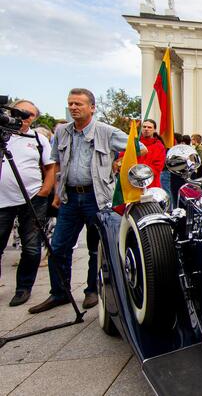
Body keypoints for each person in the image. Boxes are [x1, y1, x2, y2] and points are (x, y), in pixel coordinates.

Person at [28, 89, 146, 314]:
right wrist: (56, 194)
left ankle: (93, 289)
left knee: (96, 247)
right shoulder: (62, 132)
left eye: (79, 104)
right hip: (70, 198)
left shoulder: (106, 131)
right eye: (70, 103)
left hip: (96, 197)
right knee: (59, 247)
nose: (73, 107)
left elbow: (140, 148)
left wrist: (118, 163)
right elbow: (57, 164)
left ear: (92, 107)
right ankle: (59, 293)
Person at [0, 100, 56, 306]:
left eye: (30, 115)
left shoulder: (38, 138)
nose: (25, 117)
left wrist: (45, 191)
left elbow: (50, 167)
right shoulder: (3, 136)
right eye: (21, 112)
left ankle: (24, 288)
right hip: (2, 201)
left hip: (32, 198)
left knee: (31, 247)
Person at [124, 119, 165, 188]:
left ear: (154, 130)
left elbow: (158, 167)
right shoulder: (134, 144)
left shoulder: (159, 146)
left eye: (149, 127)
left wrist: (141, 172)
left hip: (151, 184)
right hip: (132, 183)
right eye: (144, 127)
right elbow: (124, 157)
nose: (146, 129)